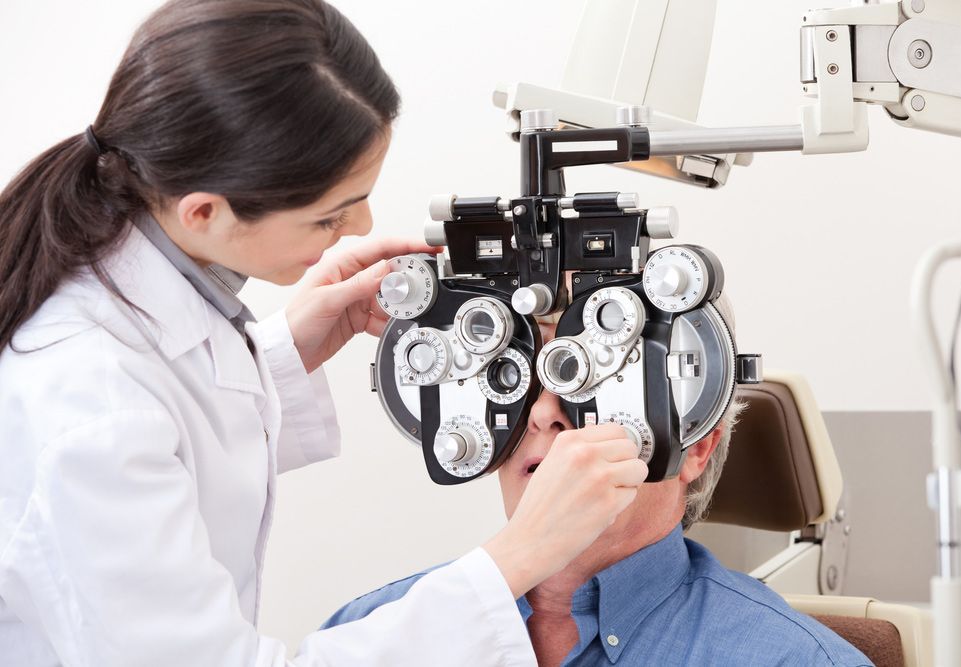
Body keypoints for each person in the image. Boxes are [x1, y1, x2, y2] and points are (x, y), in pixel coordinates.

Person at [0, 1, 649, 665]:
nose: (361, 227)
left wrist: (281, 356)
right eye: (330, 215)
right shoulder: (92, 406)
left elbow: (181, 430)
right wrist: (519, 555)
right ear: (204, 212)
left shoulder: (132, 323)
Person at [323, 300, 876, 667]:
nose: (544, 412)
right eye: (514, 375)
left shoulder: (792, 660)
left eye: (595, 376)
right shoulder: (373, 632)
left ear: (694, 448)